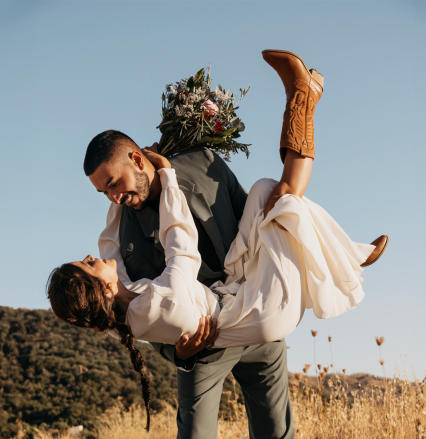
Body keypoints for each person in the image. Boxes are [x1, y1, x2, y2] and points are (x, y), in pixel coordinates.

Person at [47, 50, 388, 438]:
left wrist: (172, 176)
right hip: (204, 345)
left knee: (269, 195)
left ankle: (304, 104)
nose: (112, 198)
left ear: (138, 160)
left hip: (250, 296)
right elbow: (162, 275)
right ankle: (303, 102)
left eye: (113, 184)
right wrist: (180, 353)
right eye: (102, 192)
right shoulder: (124, 234)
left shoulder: (202, 164)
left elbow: (246, 215)